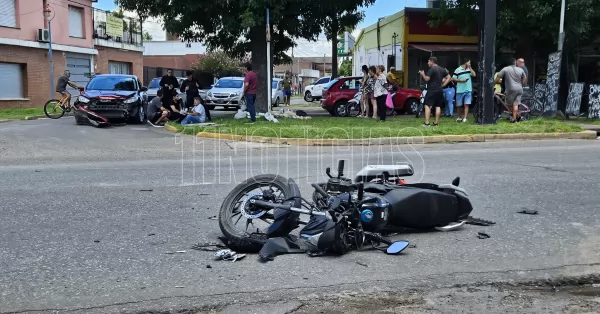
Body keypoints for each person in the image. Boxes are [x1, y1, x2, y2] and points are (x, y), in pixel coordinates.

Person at [419, 57, 450, 127]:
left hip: (432, 90)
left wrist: (423, 74)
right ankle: (436, 123)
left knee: (427, 105)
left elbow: (427, 79)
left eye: (428, 61)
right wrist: (443, 85)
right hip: (440, 90)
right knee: (438, 106)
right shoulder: (442, 69)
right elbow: (449, 77)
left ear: (432, 62)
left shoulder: (432, 69)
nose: (428, 63)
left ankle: (427, 123)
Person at [495, 58, 526, 123]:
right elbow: (524, 78)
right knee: (515, 104)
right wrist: (522, 85)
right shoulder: (520, 69)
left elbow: (497, 79)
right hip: (519, 89)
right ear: (515, 63)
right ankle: (515, 118)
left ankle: (515, 118)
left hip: (510, 89)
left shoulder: (505, 69)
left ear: (507, 64)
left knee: (509, 105)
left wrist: (497, 82)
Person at [453, 58, 476, 123]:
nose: (470, 64)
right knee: (459, 105)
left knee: (466, 104)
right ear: (466, 63)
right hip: (459, 90)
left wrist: (470, 67)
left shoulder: (469, 69)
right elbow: (453, 78)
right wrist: (461, 81)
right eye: (469, 63)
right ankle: (459, 117)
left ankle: (465, 118)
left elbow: (474, 75)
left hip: (468, 89)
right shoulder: (458, 70)